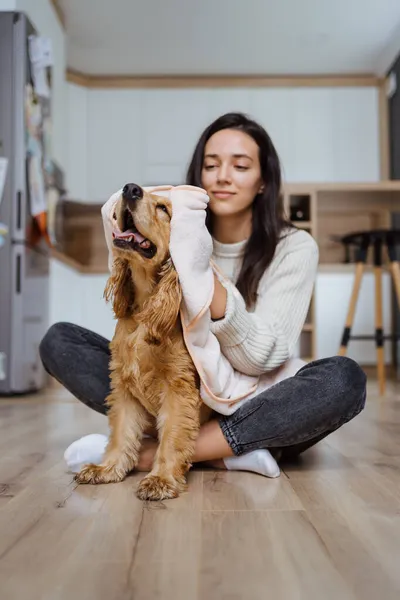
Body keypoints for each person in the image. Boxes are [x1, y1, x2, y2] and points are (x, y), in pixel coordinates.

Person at [39, 112, 367, 478]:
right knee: (60, 341)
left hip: (254, 400)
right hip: (168, 390)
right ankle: (229, 450)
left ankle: (157, 453)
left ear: (263, 182)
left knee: (343, 379)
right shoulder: (166, 228)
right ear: (199, 175)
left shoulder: (295, 248)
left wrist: (202, 278)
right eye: (211, 165)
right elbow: (141, 342)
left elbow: (263, 358)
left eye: (241, 166)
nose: (223, 176)